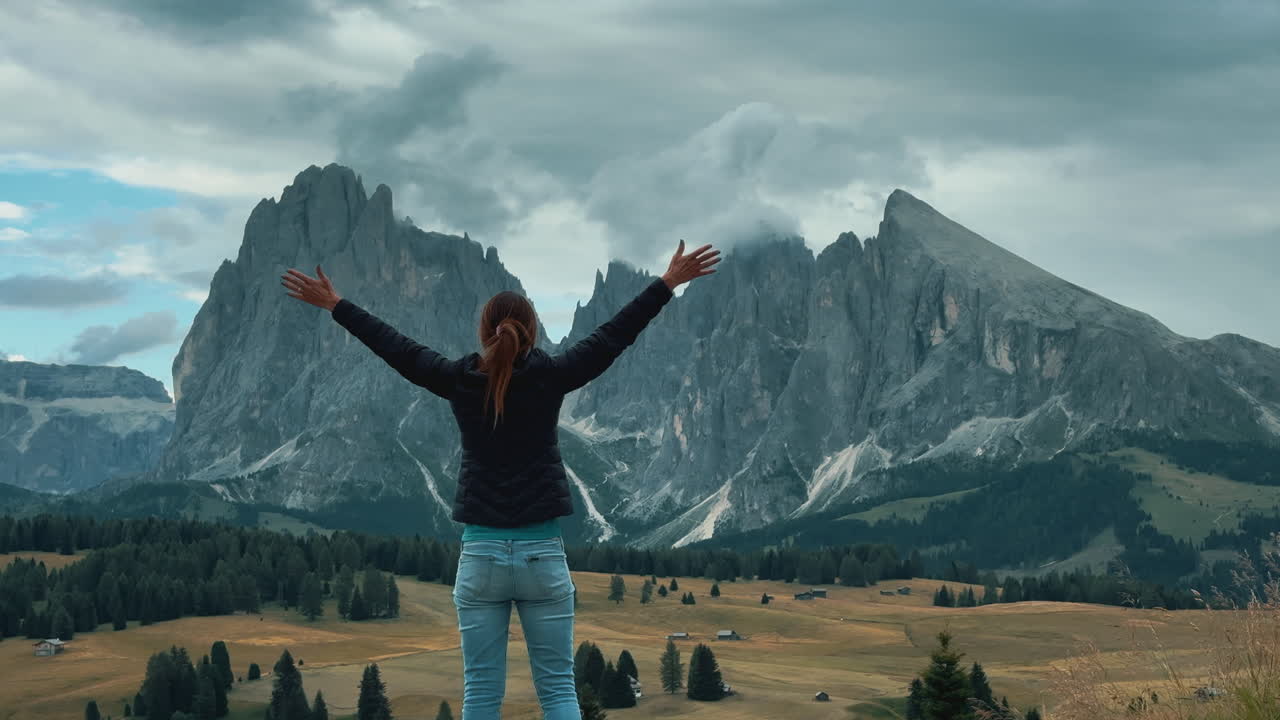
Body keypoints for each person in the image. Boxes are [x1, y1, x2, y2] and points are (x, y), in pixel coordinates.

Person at [281, 239, 719, 719]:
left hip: (481, 557)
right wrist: (666, 283)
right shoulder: (554, 376)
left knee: (481, 693)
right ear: (532, 330)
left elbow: (398, 349)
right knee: (558, 692)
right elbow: (613, 336)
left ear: (485, 331)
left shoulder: (458, 379)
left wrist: (337, 305)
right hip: (542, 556)